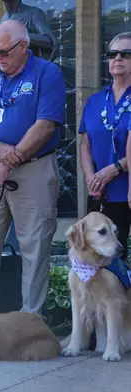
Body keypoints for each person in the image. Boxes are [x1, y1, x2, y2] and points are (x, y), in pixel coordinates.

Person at [0, 19, 66, 314]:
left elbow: (45, 126)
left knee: (35, 248)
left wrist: (9, 161)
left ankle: (31, 324)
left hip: (35, 169)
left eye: (4, 52)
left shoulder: (47, 73)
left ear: (23, 46)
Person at [80, 32, 131, 261]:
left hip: (126, 188)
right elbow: (85, 145)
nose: (117, 58)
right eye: (113, 54)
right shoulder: (95, 101)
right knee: (107, 264)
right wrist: (92, 179)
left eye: (125, 54)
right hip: (103, 195)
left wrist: (114, 169)